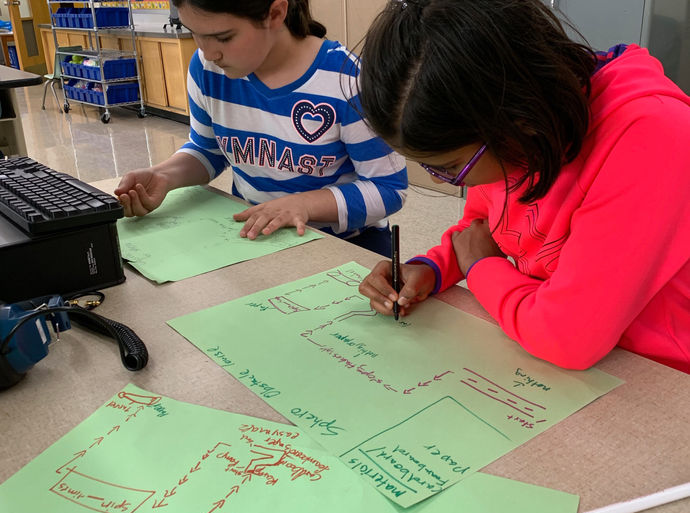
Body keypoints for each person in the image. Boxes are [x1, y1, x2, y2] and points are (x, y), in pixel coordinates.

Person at [356, 0, 690, 373]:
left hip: (658, 373)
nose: (437, 179)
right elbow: (483, 231)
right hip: (564, 357)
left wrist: (481, 267)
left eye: (449, 167)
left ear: (517, 121)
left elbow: (567, 338)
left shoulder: (650, 138)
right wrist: (432, 269)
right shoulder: (516, 134)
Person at [115, 0, 407, 256]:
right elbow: (207, 148)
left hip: (345, 246)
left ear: (276, 13)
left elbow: (388, 189)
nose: (208, 52)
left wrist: (304, 205)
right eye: (194, 32)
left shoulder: (346, 80)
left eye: (223, 37)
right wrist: (164, 176)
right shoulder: (207, 69)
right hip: (258, 242)